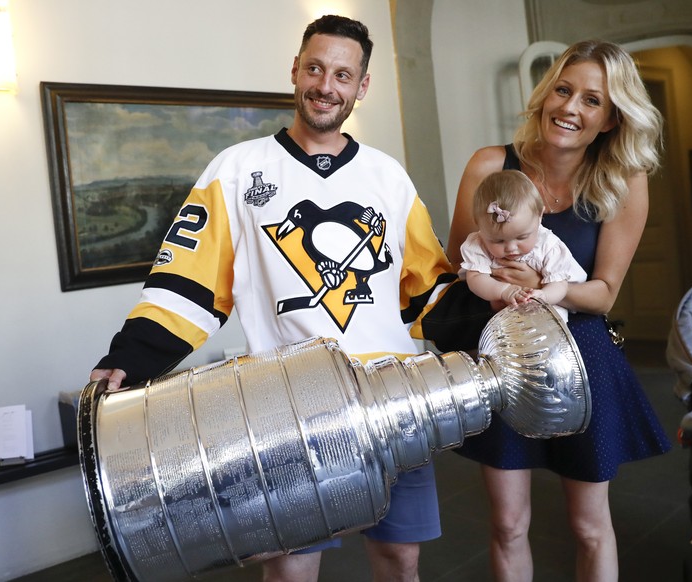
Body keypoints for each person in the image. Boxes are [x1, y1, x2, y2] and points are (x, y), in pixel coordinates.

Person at [89, 15, 491, 582]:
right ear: (296, 70)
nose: (327, 85)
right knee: (290, 569)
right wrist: (127, 360)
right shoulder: (236, 171)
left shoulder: (387, 176)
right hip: (290, 408)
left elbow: (427, 291)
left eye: (343, 75)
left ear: (362, 86)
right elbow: (189, 283)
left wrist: (497, 315)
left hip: (393, 397)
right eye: (316, 68)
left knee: (401, 561)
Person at [447, 40, 673, 581]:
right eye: (564, 90)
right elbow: (456, 267)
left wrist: (546, 286)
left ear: (612, 118)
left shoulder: (622, 182)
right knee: (506, 524)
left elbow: (604, 293)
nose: (570, 108)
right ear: (546, 95)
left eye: (591, 101)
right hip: (499, 357)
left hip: (583, 358)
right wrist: (498, 284)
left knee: (590, 526)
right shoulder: (488, 165)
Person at [460, 169, 586, 320]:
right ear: (480, 226)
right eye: (498, 241)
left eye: (522, 237)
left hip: (546, 315)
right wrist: (503, 291)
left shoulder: (548, 245)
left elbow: (560, 284)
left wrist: (544, 295)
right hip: (501, 319)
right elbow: (475, 279)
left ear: (539, 217)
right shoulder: (478, 245)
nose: (511, 248)